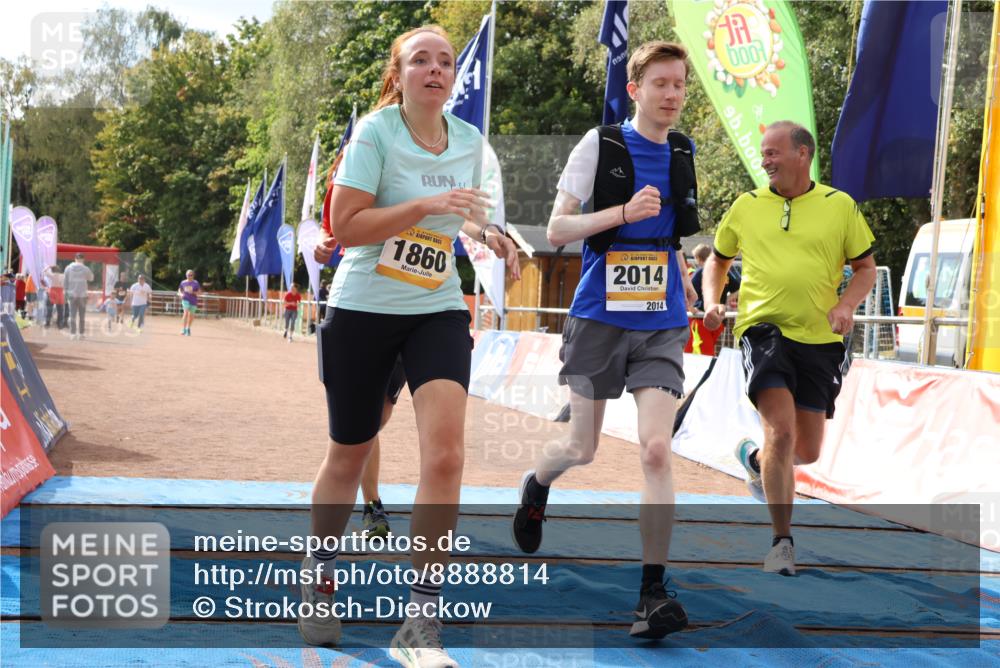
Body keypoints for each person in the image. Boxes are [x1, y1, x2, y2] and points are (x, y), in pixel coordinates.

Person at [301, 25, 517, 667]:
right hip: (363, 308)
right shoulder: (376, 133)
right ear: (399, 73)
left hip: (437, 308)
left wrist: (491, 234)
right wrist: (426, 204)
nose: (436, 69)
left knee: (446, 456)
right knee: (351, 451)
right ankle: (317, 577)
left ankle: (421, 621)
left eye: (446, 61)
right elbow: (346, 225)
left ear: (454, 77)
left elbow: (467, 212)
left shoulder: (471, 141)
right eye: (420, 60)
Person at [511, 41, 698, 641]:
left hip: (662, 318)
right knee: (582, 447)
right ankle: (537, 485)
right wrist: (621, 212)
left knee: (655, 451)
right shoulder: (602, 144)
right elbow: (558, 228)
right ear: (635, 89)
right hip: (599, 316)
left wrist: (687, 282)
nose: (672, 95)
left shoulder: (684, 151)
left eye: (680, 85)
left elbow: (672, 237)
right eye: (662, 84)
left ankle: (652, 592)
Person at [702, 120, 876, 576]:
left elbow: (865, 268)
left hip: (820, 340)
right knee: (780, 430)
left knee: (808, 450)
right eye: (763, 153)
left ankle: (757, 462)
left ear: (803, 154)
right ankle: (782, 543)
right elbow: (717, 260)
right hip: (763, 331)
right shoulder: (746, 206)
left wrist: (846, 304)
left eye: (774, 152)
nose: (765, 161)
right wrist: (712, 302)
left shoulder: (840, 206)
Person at [685, 243, 740, 355]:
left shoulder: (700, 272)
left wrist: (692, 309)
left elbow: (685, 293)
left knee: (701, 354)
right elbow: (740, 288)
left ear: (698, 259)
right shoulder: (724, 274)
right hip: (718, 320)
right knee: (708, 351)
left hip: (701, 320)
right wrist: (729, 298)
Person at [63, 253, 94, 340]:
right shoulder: (85, 269)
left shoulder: (68, 268)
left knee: (72, 315)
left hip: (71, 294)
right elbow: (91, 278)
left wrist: (65, 293)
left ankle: (72, 334)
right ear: (83, 259)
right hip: (82, 295)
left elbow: (65, 282)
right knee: (82, 315)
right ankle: (81, 334)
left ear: (75, 259)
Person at [177, 270, 200, 336]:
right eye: (188, 275)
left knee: (191, 315)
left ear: (193, 275)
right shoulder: (183, 282)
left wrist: (193, 292)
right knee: (186, 312)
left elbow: (199, 292)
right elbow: (179, 290)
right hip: (185, 300)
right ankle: (183, 329)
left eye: (191, 275)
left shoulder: (196, 283)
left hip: (193, 300)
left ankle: (188, 328)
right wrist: (181, 294)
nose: (189, 276)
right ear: (186, 275)